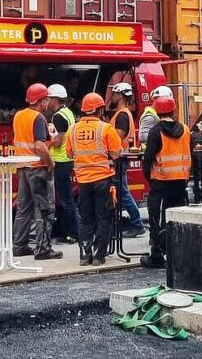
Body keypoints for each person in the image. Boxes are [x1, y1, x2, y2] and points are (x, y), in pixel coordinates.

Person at [66, 93, 122, 266]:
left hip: (83, 181)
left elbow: (69, 153)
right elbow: (116, 152)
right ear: (99, 110)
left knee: (86, 218)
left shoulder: (73, 129)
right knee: (103, 217)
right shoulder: (105, 128)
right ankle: (98, 256)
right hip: (103, 179)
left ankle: (84, 256)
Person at [12, 83, 62, 260]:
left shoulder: (18, 116)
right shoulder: (38, 118)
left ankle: (19, 246)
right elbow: (40, 146)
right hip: (38, 168)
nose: (48, 101)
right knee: (44, 210)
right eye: (46, 98)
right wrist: (50, 163)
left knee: (23, 208)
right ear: (41, 101)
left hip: (23, 167)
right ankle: (43, 249)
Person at [140, 96, 191, 269]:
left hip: (160, 181)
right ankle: (177, 253)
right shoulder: (185, 129)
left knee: (156, 218)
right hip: (179, 182)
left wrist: (149, 177)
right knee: (174, 218)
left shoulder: (156, 131)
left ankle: (157, 255)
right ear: (173, 110)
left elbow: (148, 159)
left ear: (158, 112)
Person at [109, 82, 145, 238]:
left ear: (121, 96)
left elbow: (117, 136)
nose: (112, 96)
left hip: (118, 158)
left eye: (115, 93)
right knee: (123, 191)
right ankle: (134, 223)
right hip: (119, 157)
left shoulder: (122, 115)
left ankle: (137, 223)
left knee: (123, 192)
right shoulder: (123, 113)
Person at [47, 84, 78, 245]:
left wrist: (47, 141)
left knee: (66, 200)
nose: (47, 102)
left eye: (49, 98)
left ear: (54, 99)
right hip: (68, 160)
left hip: (61, 161)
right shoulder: (69, 113)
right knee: (67, 199)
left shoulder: (58, 116)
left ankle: (72, 233)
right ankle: (69, 230)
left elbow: (58, 141)